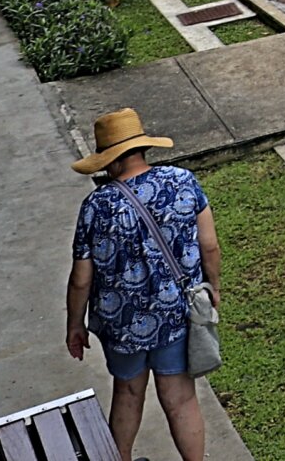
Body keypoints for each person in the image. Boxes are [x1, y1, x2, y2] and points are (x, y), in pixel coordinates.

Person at [67, 108, 221, 461]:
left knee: (128, 394)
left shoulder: (96, 205)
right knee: (180, 399)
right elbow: (209, 245)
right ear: (142, 148)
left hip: (120, 325)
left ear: (109, 161)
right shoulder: (183, 182)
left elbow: (81, 280)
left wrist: (75, 324)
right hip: (175, 316)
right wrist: (213, 288)